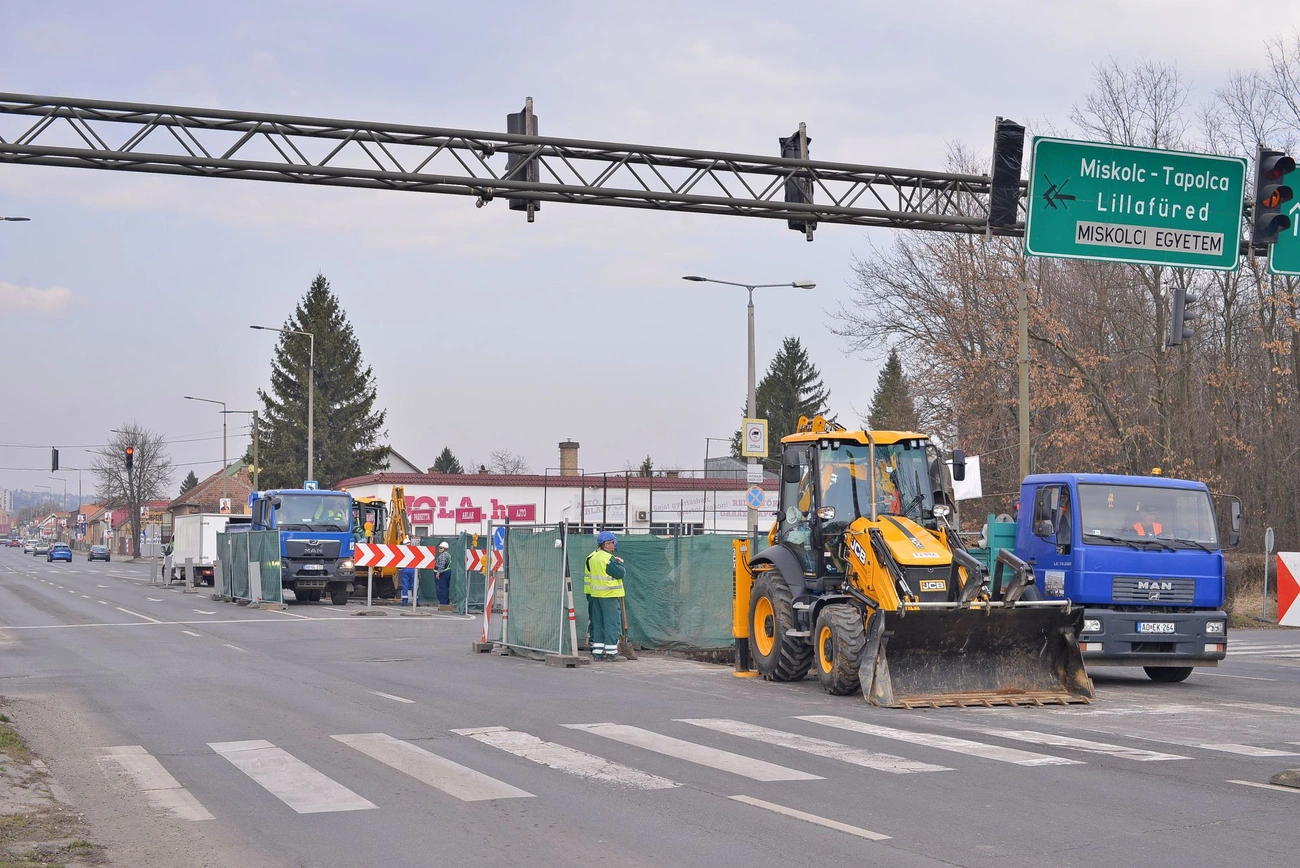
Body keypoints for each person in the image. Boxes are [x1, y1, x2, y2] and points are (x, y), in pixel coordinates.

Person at [584, 531, 627, 661]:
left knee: (598, 624)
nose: (614, 545)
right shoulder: (608, 559)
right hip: (609, 596)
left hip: (596, 595)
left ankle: (597, 652)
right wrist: (619, 564)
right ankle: (611, 652)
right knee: (611, 624)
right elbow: (620, 573)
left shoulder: (593, 557)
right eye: (613, 542)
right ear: (607, 544)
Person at [434, 541, 452, 605]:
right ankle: (445, 602)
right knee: (445, 588)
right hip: (446, 572)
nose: (440, 549)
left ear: (445, 549)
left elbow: (442, 564)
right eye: (439, 547)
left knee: (442, 588)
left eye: (441, 548)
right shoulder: (447, 555)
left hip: (443, 574)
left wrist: (438, 573)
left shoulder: (443, 555)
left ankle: (443, 603)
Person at [399, 536, 415, 605]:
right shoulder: (414, 550)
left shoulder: (403, 551)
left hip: (405, 569)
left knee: (405, 585)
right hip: (413, 569)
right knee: (413, 585)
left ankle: (404, 601)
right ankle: (416, 601)